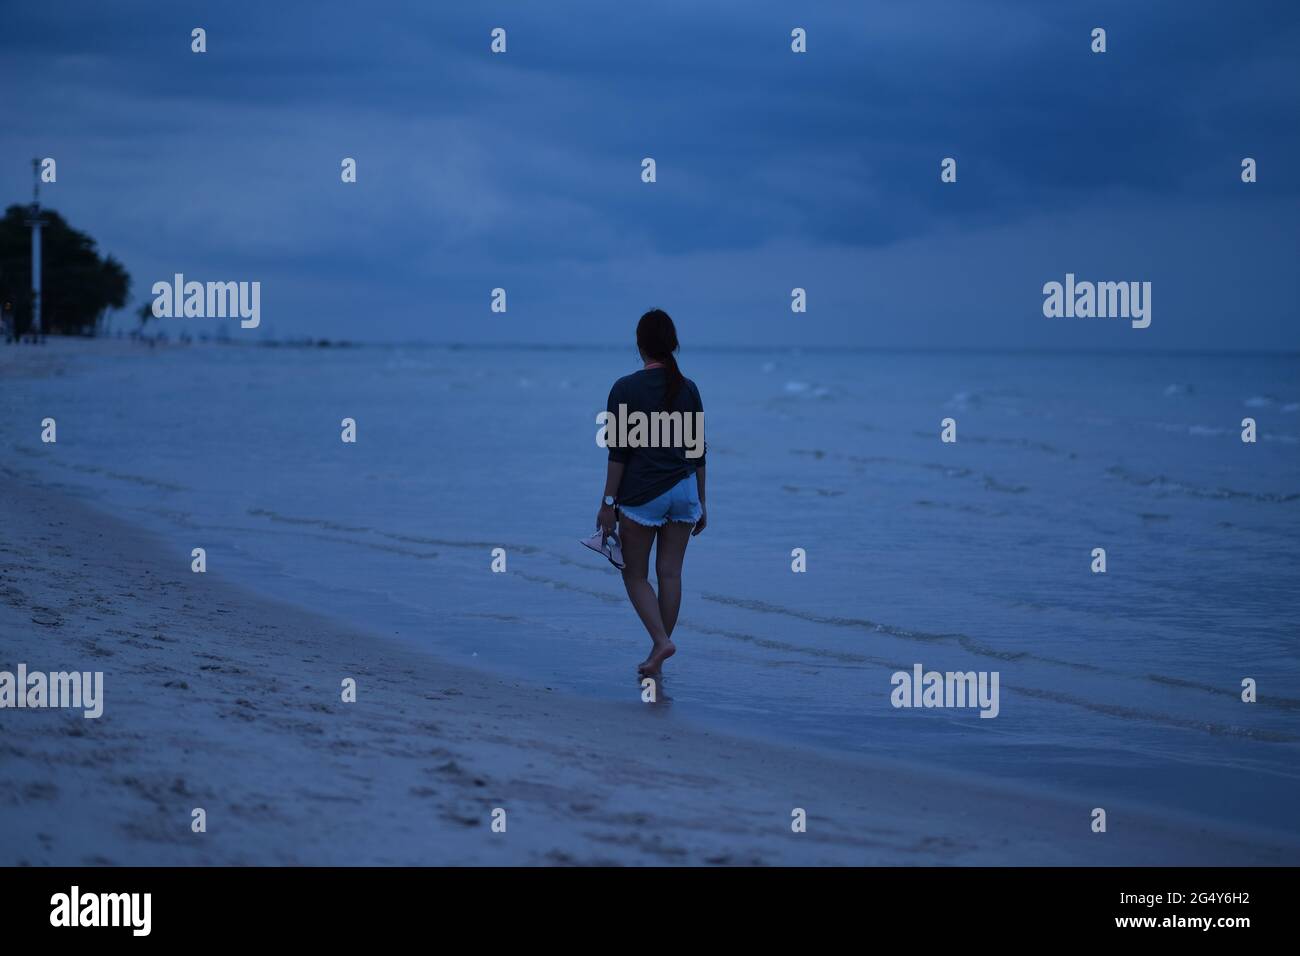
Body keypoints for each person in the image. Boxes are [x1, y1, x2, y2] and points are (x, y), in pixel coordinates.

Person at [596, 309, 707, 677]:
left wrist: (608, 503)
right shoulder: (688, 388)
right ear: (672, 344)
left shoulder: (624, 388)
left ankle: (661, 642)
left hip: (643, 496)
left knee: (634, 575)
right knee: (671, 574)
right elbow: (698, 452)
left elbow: (618, 452)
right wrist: (702, 503)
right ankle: (658, 650)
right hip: (684, 491)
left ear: (640, 345)